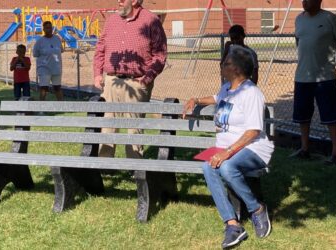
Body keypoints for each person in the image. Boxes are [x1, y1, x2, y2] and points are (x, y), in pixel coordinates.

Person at [183, 48, 274, 249]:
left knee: (226, 167)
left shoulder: (252, 93)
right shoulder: (227, 88)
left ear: (237, 69)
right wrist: (196, 100)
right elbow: (216, 98)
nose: (222, 66)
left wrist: (227, 152)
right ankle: (232, 225)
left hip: (253, 148)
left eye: (226, 63)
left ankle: (257, 208)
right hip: (227, 146)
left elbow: (253, 131)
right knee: (207, 166)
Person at [93, 0, 167, 159]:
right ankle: (105, 166)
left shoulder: (151, 21)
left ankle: (135, 167)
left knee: (134, 128)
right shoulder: (112, 20)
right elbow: (100, 48)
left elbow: (160, 55)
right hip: (111, 81)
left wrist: (146, 79)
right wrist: (98, 74)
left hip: (137, 83)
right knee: (107, 126)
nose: (118, 1)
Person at [290, 0, 336, 164]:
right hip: (302, 77)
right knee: (303, 116)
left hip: (325, 77)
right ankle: (305, 149)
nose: (304, 2)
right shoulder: (298, 19)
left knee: (331, 116)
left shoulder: (330, 18)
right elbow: (299, 42)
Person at [33, 21, 64, 101]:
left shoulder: (57, 39)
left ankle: (62, 107)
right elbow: (35, 54)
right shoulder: (39, 41)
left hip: (56, 69)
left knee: (57, 88)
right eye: (47, 28)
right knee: (44, 89)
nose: (49, 30)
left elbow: (61, 50)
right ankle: (41, 109)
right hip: (44, 69)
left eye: (50, 28)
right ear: (43, 29)